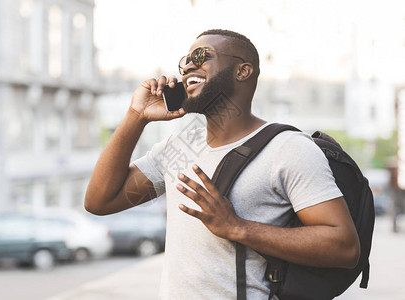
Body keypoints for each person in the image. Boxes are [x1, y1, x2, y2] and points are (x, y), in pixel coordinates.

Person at [85, 29, 360, 299]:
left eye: (203, 55)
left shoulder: (287, 149)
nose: (189, 65)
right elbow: (100, 201)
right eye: (186, 60)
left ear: (243, 71)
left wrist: (237, 227)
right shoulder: (179, 147)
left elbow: (344, 247)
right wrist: (137, 116)